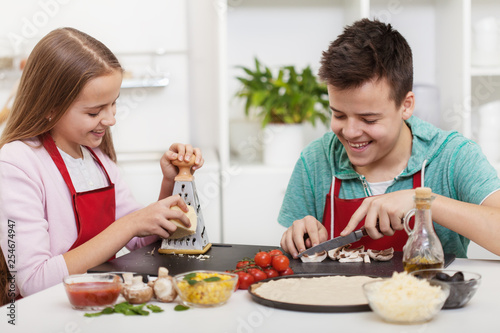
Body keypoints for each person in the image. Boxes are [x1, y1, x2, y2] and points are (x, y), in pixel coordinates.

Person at [0, 27, 203, 297]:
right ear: (49, 108)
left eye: (113, 104)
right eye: (94, 111)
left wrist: (170, 181)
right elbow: (33, 281)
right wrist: (128, 224)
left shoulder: (96, 159)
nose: (110, 119)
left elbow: (140, 240)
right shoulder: (17, 163)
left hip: (92, 302)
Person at [279, 18, 500, 259]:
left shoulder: (453, 156)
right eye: (339, 114)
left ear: (406, 106)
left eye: (369, 119)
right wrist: (297, 236)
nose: (351, 132)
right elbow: (293, 256)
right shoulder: (315, 161)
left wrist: (423, 202)